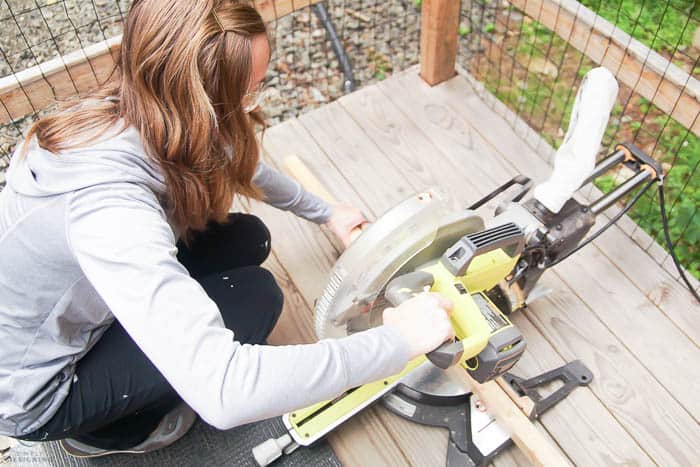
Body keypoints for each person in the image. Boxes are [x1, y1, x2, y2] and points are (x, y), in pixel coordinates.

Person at [0, 0, 454, 458]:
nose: (251, 103)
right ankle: (110, 433)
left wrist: (324, 212)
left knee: (249, 237)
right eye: (247, 91)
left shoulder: (140, 102)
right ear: (200, 101)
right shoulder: (108, 210)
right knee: (258, 297)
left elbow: (227, 154)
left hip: (76, 303)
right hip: (40, 388)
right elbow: (225, 389)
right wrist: (397, 342)